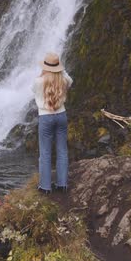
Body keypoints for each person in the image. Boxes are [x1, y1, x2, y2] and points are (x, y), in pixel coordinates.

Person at [32, 52, 73, 194]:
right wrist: (60, 69)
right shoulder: (64, 79)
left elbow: (34, 92)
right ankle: (62, 184)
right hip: (61, 115)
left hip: (46, 117)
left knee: (45, 152)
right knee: (62, 150)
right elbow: (69, 79)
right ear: (58, 67)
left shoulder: (38, 81)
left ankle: (45, 187)